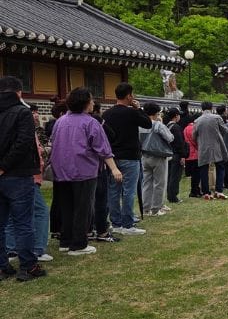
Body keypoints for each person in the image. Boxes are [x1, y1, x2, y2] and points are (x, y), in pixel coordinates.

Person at [50, 87, 123, 255]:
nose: (92, 103)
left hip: (61, 170)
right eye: (91, 100)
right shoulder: (90, 122)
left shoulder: (61, 121)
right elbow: (103, 149)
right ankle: (79, 244)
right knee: (83, 208)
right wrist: (114, 168)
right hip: (84, 171)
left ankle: (66, 240)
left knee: (66, 207)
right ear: (85, 103)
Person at [0, 76, 47, 281]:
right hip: (18, 174)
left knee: (1, 223)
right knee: (23, 222)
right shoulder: (22, 112)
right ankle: (27, 266)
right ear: (19, 92)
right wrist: (5, 166)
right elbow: (23, 142)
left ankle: (3, 265)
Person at [102, 82, 151, 236]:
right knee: (129, 191)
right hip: (130, 156)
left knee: (113, 191)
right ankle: (128, 224)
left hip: (112, 157)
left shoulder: (107, 114)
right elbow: (148, 123)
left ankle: (116, 222)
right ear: (129, 96)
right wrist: (139, 108)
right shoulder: (132, 113)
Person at [139, 102, 173, 216]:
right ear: (156, 113)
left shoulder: (140, 125)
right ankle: (155, 209)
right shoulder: (157, 124)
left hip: (144, 156)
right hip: (158, 156)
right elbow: (170, 137)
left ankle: (145, 208)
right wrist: (161, 122)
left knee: (146, 183)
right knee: (159, 183)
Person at [193, 101, 228, 199]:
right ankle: (218, 190)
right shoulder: (217, 118)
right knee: (220, 167)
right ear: (211, 108)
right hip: (216, 146)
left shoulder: (197, 120)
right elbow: (225, 130)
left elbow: (194, 136)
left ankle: (206, 193)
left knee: (204, 169)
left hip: (203, 147)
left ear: (202, 109)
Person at [165, 108, 185, 204]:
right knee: (175, 177)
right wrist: (183, 156)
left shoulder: (167, 126)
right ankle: (173, 196)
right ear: (176, 116)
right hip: (176, 154)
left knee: (170, 176)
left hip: (169, 154)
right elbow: (180, 143)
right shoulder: (176, 127)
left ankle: (170, 195)